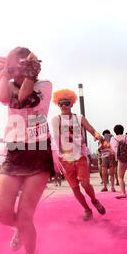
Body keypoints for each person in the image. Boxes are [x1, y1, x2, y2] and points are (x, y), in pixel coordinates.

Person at [0, 47, 56, 254]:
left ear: (31, 67)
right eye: (13, 66)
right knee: (3, 213)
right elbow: (2, 97)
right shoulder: (8, 84)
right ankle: (20, 229)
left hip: (38, 150)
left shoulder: (43, 85)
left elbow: (25, 96)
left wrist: (29, 74)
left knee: (26, 216)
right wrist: (5, 73)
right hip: (15, 150)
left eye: (22, 66)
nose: (17, 71)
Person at [50, 89, 106, 221]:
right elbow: (56, 138)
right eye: (61, 103)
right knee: (75, 188)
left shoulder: (79, 118)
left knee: (85, 183)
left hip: (80, 156)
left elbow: (91, 129)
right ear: (58, 105)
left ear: (72, 104)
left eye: (67, 103)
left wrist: (97, 135)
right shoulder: (55, 119)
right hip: (64, 158)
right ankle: (87, 210)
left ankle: (94, 200)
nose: (64, 106)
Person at [110, 125, 127, 199]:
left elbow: (114, 150)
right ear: (123, 130)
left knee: (120, 177)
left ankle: (123, 193)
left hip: (121, 159)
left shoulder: (113, 139)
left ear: (114, 131)